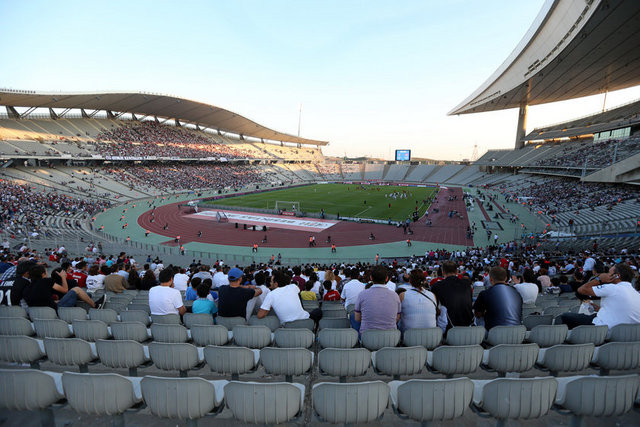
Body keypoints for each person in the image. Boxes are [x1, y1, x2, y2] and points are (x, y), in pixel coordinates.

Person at [559, 263, 640, 329]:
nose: (606, 274)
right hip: (627, 331)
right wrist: (601, 309)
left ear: (616, 276)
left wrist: (599, 279)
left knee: (564, 316)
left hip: (604, 328)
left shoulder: (612, 287)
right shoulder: (636, 293)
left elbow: (581, 290)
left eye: (609, 273)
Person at [24, 264, 104, 311]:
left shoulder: (27, 286)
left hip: (39, 313)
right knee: (76, 289)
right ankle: (95, 305)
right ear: (43, 274)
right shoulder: (46, 281)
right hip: (54, 310)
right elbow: (65, 290)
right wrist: (63, 277)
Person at [354, 265, 401, 334]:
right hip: (391, 339)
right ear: (386, 278)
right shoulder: (395, 295)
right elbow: (397, 318)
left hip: (368, 338)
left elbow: (357, 318)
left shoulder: (362, 294)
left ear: (371, 278)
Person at [431, 261, 473, 327]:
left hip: (449, 326)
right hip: (468, 323)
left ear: (443, 272)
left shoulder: (437, 286)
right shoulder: (467, 284)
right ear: (457, 271)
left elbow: (434, 307)